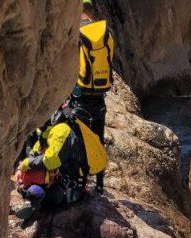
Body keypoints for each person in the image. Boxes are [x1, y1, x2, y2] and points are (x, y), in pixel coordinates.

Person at [14, 101, 106, 221]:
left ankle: (36, 204)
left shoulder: (61, 130)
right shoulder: (52, 128)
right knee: (29, 179)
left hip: (71, 190)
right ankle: (36, 199)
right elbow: (39, 148)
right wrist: (23, 167)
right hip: (64, 179)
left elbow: (51, 161)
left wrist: (27, 164)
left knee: (34, 191)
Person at [73, 0, 115, 193]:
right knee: (98, 138)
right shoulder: (105, 34)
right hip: (100, 95)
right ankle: (99, 184)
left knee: (79, 138)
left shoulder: (77, 35)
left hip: (80, 95)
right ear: (91, 12)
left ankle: (80, 182)